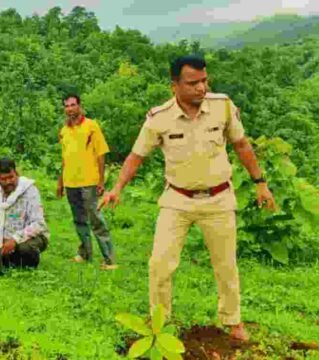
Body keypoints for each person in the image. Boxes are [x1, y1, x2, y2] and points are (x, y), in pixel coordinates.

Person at [99, 55, 277, 341]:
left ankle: (232, 322)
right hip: (177, 200)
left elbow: (241, 144)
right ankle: (160, 322)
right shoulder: (160, 118)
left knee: (226, 264)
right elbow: (136, 156)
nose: (201, 88)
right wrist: (117, 188)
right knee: (160, 262)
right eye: (193, 83)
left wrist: (260, 183)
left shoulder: (223, 107)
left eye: (204, 80)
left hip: (219, 198)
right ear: (175, 86)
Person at [57, 94, 117, 270]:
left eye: (73, 105)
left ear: (79, 106)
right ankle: (85, 253)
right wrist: (60, 182)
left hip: (89, 181)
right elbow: (64, 158)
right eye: (67, 106)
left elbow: (101, 154)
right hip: (70, 182)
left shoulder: (91, 126)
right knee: (79, 219)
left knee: (95, 218)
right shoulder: (64, 131)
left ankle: (109, 259)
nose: (70, 109)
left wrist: (100, 180)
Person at [0, 158, 49, 274]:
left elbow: (38, 224)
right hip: (3, 238)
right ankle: (3, 260)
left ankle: (17, 264)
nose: (8, 182)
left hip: (31, 237)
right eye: (3, 179)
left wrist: (15, 239)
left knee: (24, 250)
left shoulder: (30, 191)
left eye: (11, 177)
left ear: (16, 174)